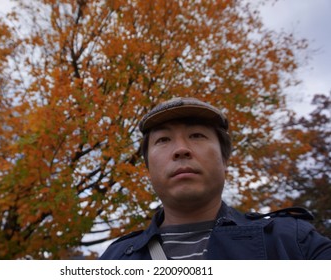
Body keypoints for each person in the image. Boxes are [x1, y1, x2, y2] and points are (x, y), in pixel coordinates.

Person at [100, 97, 331, 260]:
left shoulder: (292, 242)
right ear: (148, 167)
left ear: (225, 160)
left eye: (197, 135)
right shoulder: (114, 260)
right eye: (163, 140)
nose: (181, 149)